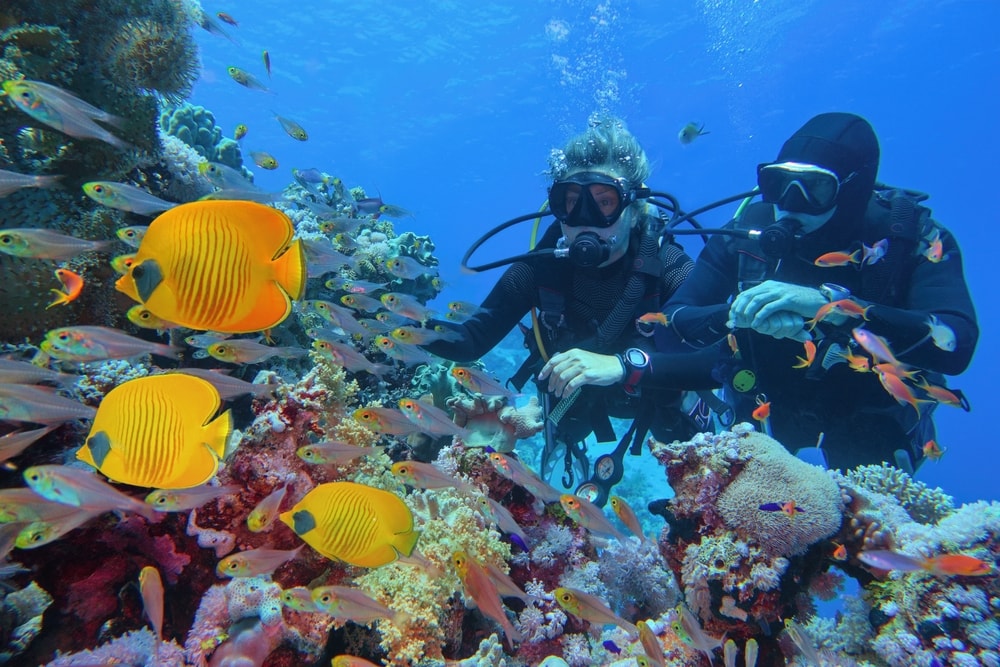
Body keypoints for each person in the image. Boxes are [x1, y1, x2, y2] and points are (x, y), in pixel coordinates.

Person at [660, 112, 978, 472]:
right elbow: (670, 324)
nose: (790, 202)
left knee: (862, 515)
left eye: (817, 187)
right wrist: (737, 313)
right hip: (764, 411)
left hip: (869, 417)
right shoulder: (748, 234)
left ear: (853, 188)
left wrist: (838, 307)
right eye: (779, 183)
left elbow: (958, 342)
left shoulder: (910, 240)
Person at [424, 115, 718, 503]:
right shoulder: (541, 266)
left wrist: (625, 365)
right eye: (571, 204)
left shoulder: (668, 266)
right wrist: (399, 321)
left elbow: (721, 355)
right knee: (563, 431)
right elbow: (470, 339)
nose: (585, 222)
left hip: (654, 392)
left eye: (604, 203)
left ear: (632, 207)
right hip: (577, 397)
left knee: (692, 453)